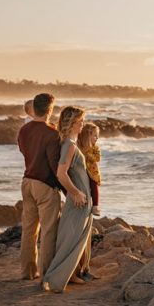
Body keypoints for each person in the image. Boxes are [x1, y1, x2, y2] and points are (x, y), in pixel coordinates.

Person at [42, 105, 95, 292]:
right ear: (72, 123)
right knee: (70, 238)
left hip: (82, 198)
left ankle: (71, 274)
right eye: (80, 121)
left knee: (76, 237)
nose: (83, 125)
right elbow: (61, 173)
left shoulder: (71, 142)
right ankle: (58, 277)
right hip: (78, 199)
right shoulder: (69, 146)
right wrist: (75, 193)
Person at [16, 93, 62, 281]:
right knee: (49, 231)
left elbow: (22, 150)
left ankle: (27, 272)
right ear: (50, 110)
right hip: (44, 185)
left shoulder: (24, 130)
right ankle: (47, 274)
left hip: (27, 182)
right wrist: (66, 188)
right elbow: (54, 164)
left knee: (29, 230)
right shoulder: (52, 133)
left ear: (34, 108)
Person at [78, 123, 102, 217]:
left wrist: (88, 153)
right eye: (95, 135)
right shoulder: (79, 145)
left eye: (97, 136)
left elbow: (97, 158)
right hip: (82, 170)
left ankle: (95, 206)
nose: (97, 138)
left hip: (92, 171)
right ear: (88, 136)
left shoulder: (95, 148)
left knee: (94, 186)